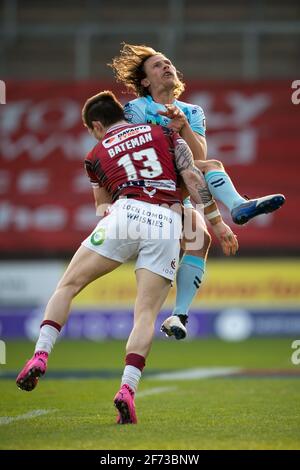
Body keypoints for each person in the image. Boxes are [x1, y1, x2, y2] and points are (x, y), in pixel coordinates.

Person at [16, 90, 227, 424]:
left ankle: (40, 355)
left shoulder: (95, 154)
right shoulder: (165, 133)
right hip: (167, 220)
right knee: (144, 315)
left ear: (97, 126)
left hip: (124, 212)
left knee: (68, 286)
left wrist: (121, 234)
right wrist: (216, 224)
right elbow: (191, 177)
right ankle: (127, 389)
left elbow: (101, 207)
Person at [109, 43, 285, 340]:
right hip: (150, 188)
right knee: (209, 167)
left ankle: (178, 317)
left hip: (179, 189)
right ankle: (238, 206)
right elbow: (138, 151)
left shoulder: (192, 111)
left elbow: (196, 152)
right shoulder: (137, 109)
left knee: (199, 238)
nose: (167, 67)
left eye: (168, 63)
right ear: (145, 82)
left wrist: (183, 127)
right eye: (157, 66)